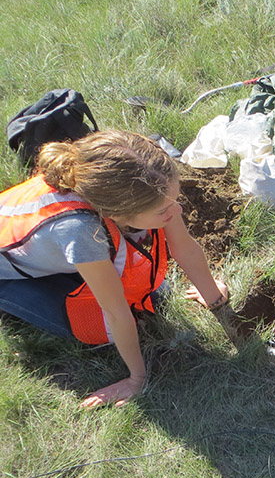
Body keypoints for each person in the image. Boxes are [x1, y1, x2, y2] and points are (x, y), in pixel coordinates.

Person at [0, 130, 229, 409]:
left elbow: (183, 246)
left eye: (174, 200)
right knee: (95, 330)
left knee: (156, 296)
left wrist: (213, 298)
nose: (177, 212)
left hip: (56, 249)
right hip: (8, 271)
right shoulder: (82, 232)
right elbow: (116, 313)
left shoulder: (145, 181)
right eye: (163, 212)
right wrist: (137, 379)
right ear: (115, 214)